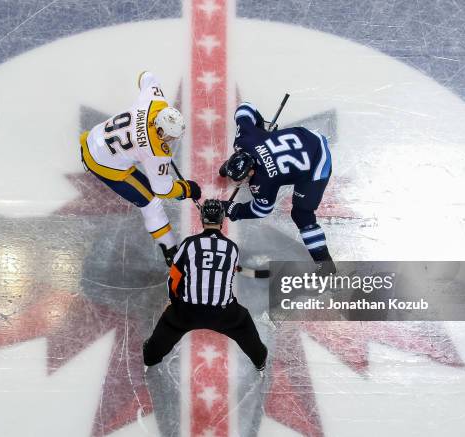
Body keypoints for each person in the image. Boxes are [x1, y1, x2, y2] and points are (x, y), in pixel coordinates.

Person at [79, 71, 201, 266]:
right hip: (102, 164)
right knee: (151, 203)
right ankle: (170, 251)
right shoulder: (155, 149)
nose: (171, 140)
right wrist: (186, 189)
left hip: (93, 137)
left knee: (147, 190)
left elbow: (146, 76)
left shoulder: (155, 102)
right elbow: (163, 190)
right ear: (161, 130)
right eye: (170, 136)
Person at [143, 199, 268, 372]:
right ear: (222, 220)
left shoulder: (189, 243)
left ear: (202, 219)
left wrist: (174, 302)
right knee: (244, 322)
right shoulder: (232, 248)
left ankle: (150, 357)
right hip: (224, 313)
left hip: (187, 311)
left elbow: (174, 278)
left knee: (169, 324)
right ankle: (259, 360)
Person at [219, 102, 335, 272]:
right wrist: (261, 130)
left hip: (318, 161)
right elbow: (245, 108)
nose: (238, 183)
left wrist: (235, 210)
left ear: (251, 172)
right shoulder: (245, 140)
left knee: (301, 215)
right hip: (307, 137)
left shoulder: (262, 180)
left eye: (241, 178)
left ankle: (325, 264)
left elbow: (262, 210)